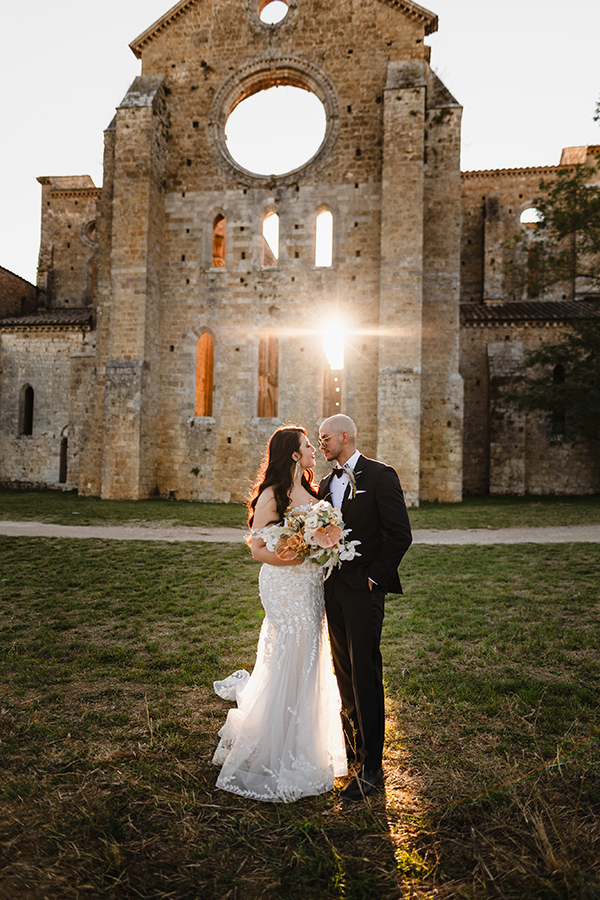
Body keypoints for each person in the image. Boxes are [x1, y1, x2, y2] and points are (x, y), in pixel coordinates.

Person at [212, 425, 347, 801]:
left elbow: (321, 535)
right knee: (290, 653)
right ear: (293, 453)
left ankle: (303, 739)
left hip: (311, 586)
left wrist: (324, 547)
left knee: (309, 656)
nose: (313, 451)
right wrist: (291, 556)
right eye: (308, 446)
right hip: (284, 585)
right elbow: (257, 548)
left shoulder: (314, 490)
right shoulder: (272, 495)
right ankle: (275, 744)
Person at [318, 414, 412, 801]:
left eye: (325, 438)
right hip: (332, 590)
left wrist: (374, 579)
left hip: (364, 590)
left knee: (365, 673)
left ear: (345, 436)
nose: (321, 444)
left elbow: (400, 534)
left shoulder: (380, 475)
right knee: (343, 674)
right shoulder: (325, 484)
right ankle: (353, 755)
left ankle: (374, 767)